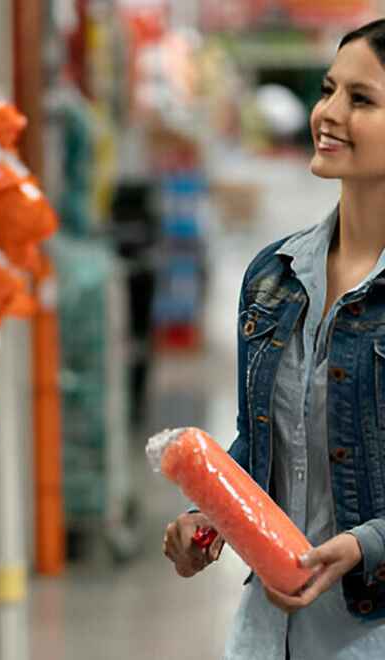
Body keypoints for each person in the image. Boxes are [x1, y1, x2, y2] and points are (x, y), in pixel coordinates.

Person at [162, 19, 385, 659]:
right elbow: (265, 444)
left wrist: (364, 545)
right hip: (267, 636)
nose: (328, 113)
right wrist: (210, 517)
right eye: (328, 89)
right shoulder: (274, 277)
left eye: (361, 99)